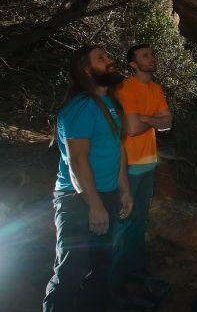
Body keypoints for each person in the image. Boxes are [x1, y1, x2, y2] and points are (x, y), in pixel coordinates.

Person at [43, 45, 133, 311]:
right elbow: (77, 160)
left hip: (105, 194)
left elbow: (116, 149)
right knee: (72, 269)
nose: (110, 61)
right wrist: (94, 205)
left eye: (108, 56)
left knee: (101, 267)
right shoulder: (81, 107)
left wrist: (124, 190)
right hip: (77, 197)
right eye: (101, 58)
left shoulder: (110, 103)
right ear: (86, 70)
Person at [111, 44, 172, 306]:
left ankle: (134, 272)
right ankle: (113, 283)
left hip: (148, 163)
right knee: (122, 222)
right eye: (145, 55)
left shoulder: (155, 89)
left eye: (152, 54)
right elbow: (133, 128)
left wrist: (146, 119)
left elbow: (168, 123)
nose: (151, 58)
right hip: (128, 165)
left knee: (139, 221)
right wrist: (151, 120)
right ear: (133, 64)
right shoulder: (126, 87)